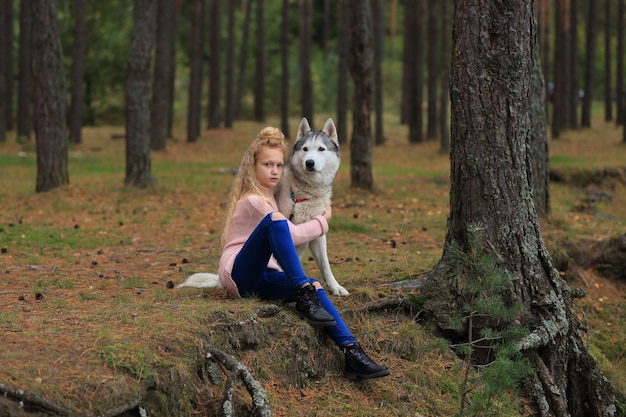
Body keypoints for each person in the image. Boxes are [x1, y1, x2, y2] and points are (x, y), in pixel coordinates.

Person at [217, 126, 389, 380]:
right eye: (267, 165)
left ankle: (352, 352)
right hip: (238, 274)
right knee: (276, 222)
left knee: (315, 286)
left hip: (263, 276)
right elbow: (292, 234)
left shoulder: (273, 195)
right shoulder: (254, 200)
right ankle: (303, 290)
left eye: (278, 164)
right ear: (252, 166)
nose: (275, 171)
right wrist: (324, 219)